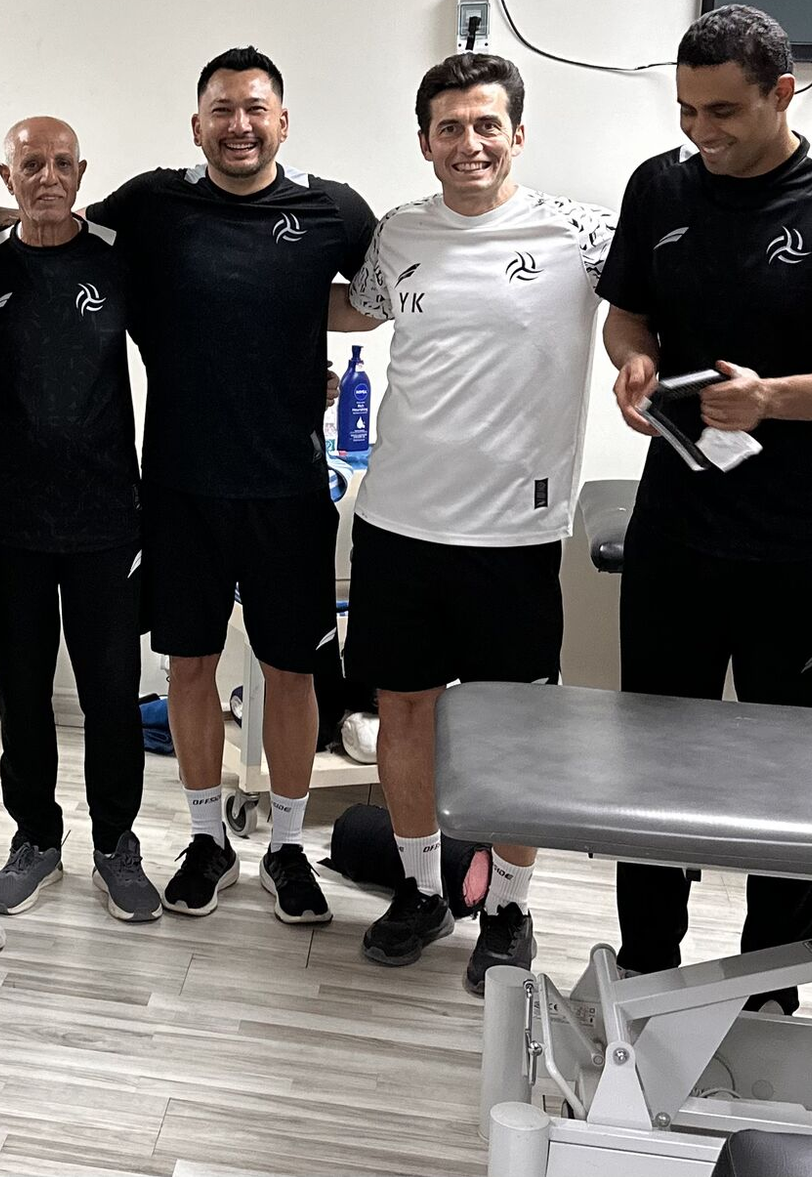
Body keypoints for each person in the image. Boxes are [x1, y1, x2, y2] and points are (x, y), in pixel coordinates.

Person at [600, 5, 812, 1013]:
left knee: (789, 778)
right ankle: (647, 964)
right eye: (687, 109)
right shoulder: (659, 184)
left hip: (796, 542)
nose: (701, 131)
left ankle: (769, 984)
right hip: (674, 533)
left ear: (783, 93)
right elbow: (623, 317)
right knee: (649, 761)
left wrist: (772, 397)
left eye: (724, 111)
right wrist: (632, 368)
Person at [331, 52, 615, 989]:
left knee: (516, 737)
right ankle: (420, 890)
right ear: (424, 142)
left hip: (516, 537)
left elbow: (664, 298)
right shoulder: (397, 232)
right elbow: (348, 307)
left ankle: (510, 908)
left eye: (487, 125)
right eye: (449, 128)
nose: (469, 143)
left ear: (518, 134)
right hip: (400, 523)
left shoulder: (581, 233)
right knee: (404, 714)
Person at [82, 48, 375, 922]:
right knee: (190, 665)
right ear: (196, 123)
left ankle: (287, 845)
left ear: (282, 121)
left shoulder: (331, 208)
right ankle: (207, 837)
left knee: (291, 672)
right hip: (178, 484)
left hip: (288, 487)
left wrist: (296, 332)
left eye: (255, 108)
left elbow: (383, 296)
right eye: (221, 109)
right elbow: (53, 228)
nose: (238, 124)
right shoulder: (151, 203)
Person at [0, 116, 160, 924]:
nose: (49, 176)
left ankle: (115, 846)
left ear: (84, 170)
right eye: (33, 164)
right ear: (8, 175)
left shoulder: (118, 258)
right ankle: (37, 840)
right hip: (7, 521)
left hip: (107, 522)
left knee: (110, 696)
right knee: (22, 698)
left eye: (63, 163)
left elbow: (185, 352)